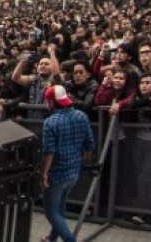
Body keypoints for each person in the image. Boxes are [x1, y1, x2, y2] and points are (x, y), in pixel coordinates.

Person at [40, 84, 96, 242]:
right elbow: (90, 144)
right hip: (73, 171)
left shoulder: (50, 123)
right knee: (60, 207)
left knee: (51, 212)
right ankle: (52, 238)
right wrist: (83, 163)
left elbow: (49, 152)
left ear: (51, 102)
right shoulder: (81, 116)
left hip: (57, 174)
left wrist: (44, 174)